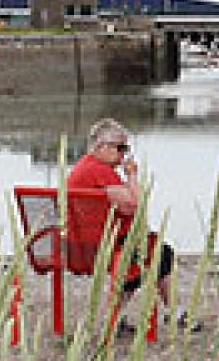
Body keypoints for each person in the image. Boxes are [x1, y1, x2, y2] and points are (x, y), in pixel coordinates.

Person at [65, 117, 176, 325]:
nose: (125, 153)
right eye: (121, 148)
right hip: (100, 248)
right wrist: (132, 175)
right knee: (156, 254)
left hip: (82, 246)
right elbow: (134, 205)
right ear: (101, 146)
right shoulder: (99, 171)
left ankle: (120, 317)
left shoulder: (85, 167)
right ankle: (170, 312)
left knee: (151, 250)